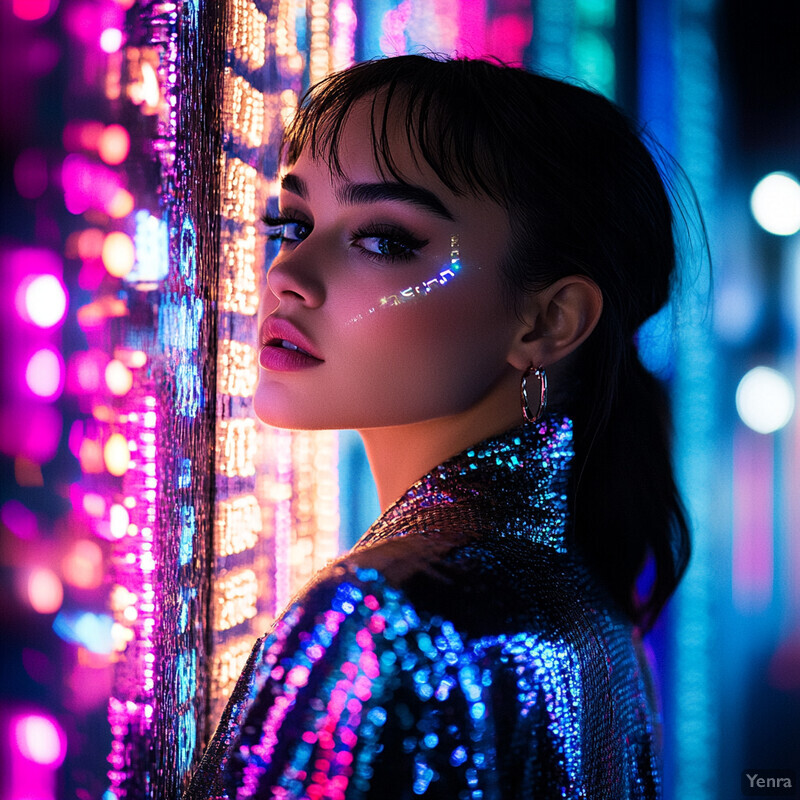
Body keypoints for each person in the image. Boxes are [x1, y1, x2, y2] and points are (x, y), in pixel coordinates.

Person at [186, 54, 692, 799]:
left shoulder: (383, 621)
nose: (286, 272)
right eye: (291, 223)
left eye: (386, 239)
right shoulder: (592, 616)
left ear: (550, 320)